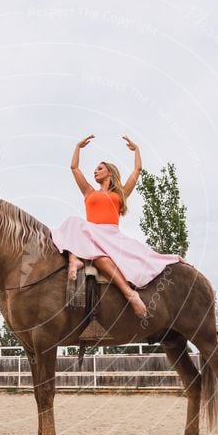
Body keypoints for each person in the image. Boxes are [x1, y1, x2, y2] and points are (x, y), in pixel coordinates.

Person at [51, 134, 186, 318]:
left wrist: (136, 149)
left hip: (110, 235)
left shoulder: (120, 193)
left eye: (100, 168)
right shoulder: (89, 191)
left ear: (110, 172)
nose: (95, 171)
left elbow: (137, 170)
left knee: (101, 255)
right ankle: (74, 258)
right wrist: (77, 147)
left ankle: (131, 296)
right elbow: (74, 168)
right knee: (73, 221)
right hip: (91, 234)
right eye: (95, 169)